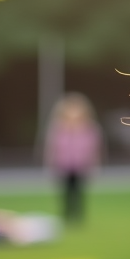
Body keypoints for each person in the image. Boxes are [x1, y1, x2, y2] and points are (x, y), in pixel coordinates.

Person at [44, 93, 102, 223]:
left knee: (79, 191)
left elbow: (94, 148)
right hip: (64, 165)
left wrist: (94, 163)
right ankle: (66, 214)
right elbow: (52, 147)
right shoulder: (59, 129)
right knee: (66, 192)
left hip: (81, 165)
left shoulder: (88, 128)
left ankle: (78, 215)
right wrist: (51, 163)